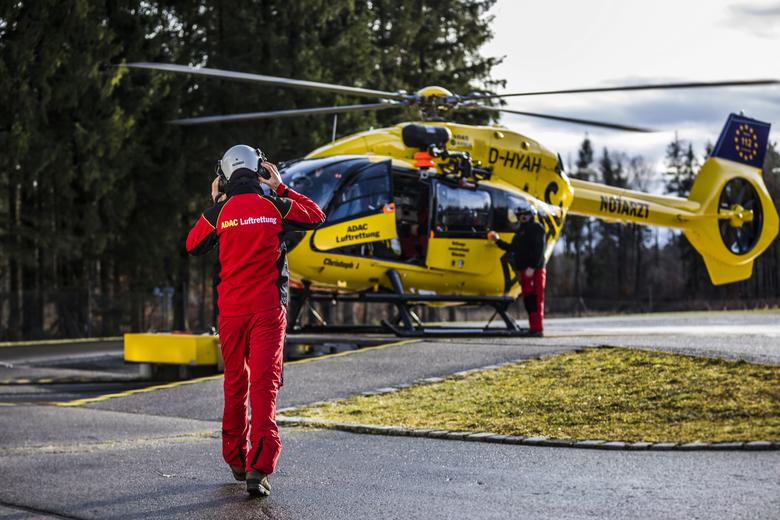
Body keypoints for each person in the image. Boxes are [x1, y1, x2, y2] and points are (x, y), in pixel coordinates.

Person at [185, 144, 325, 497]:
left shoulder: (220, 214)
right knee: (263, 385)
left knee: (235, 383)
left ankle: (236, 458)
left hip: (231, 314)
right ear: (259, 169)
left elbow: (192, 244)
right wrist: (281, 187)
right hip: (268, 311)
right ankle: (258, 468)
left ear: (224, 176)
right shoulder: (275, 206)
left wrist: (216, 203)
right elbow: (316, 215)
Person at [487, 202, 547, 337]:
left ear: (531, 215)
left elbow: (539, 249)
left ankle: (538, 329)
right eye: (520, 215)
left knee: (536, 300)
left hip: (534, 271)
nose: (522, 218)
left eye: (525, 215)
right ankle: (533, 328)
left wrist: (533, 267)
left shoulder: (537, 228)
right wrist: (497, 241)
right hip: (525, 271)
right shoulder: (520, 232)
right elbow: (512, 248)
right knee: (529, 300)